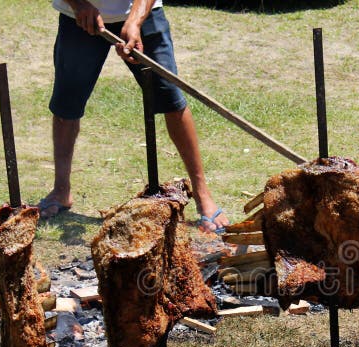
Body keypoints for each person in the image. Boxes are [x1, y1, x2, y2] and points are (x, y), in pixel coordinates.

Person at [39, 0, 229, 233]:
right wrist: (79, 5)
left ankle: (203, 196)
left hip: (143, 11)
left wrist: (136, 18)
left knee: (171, 98)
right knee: (66, 105)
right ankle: (61, 191)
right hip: (78, 17)